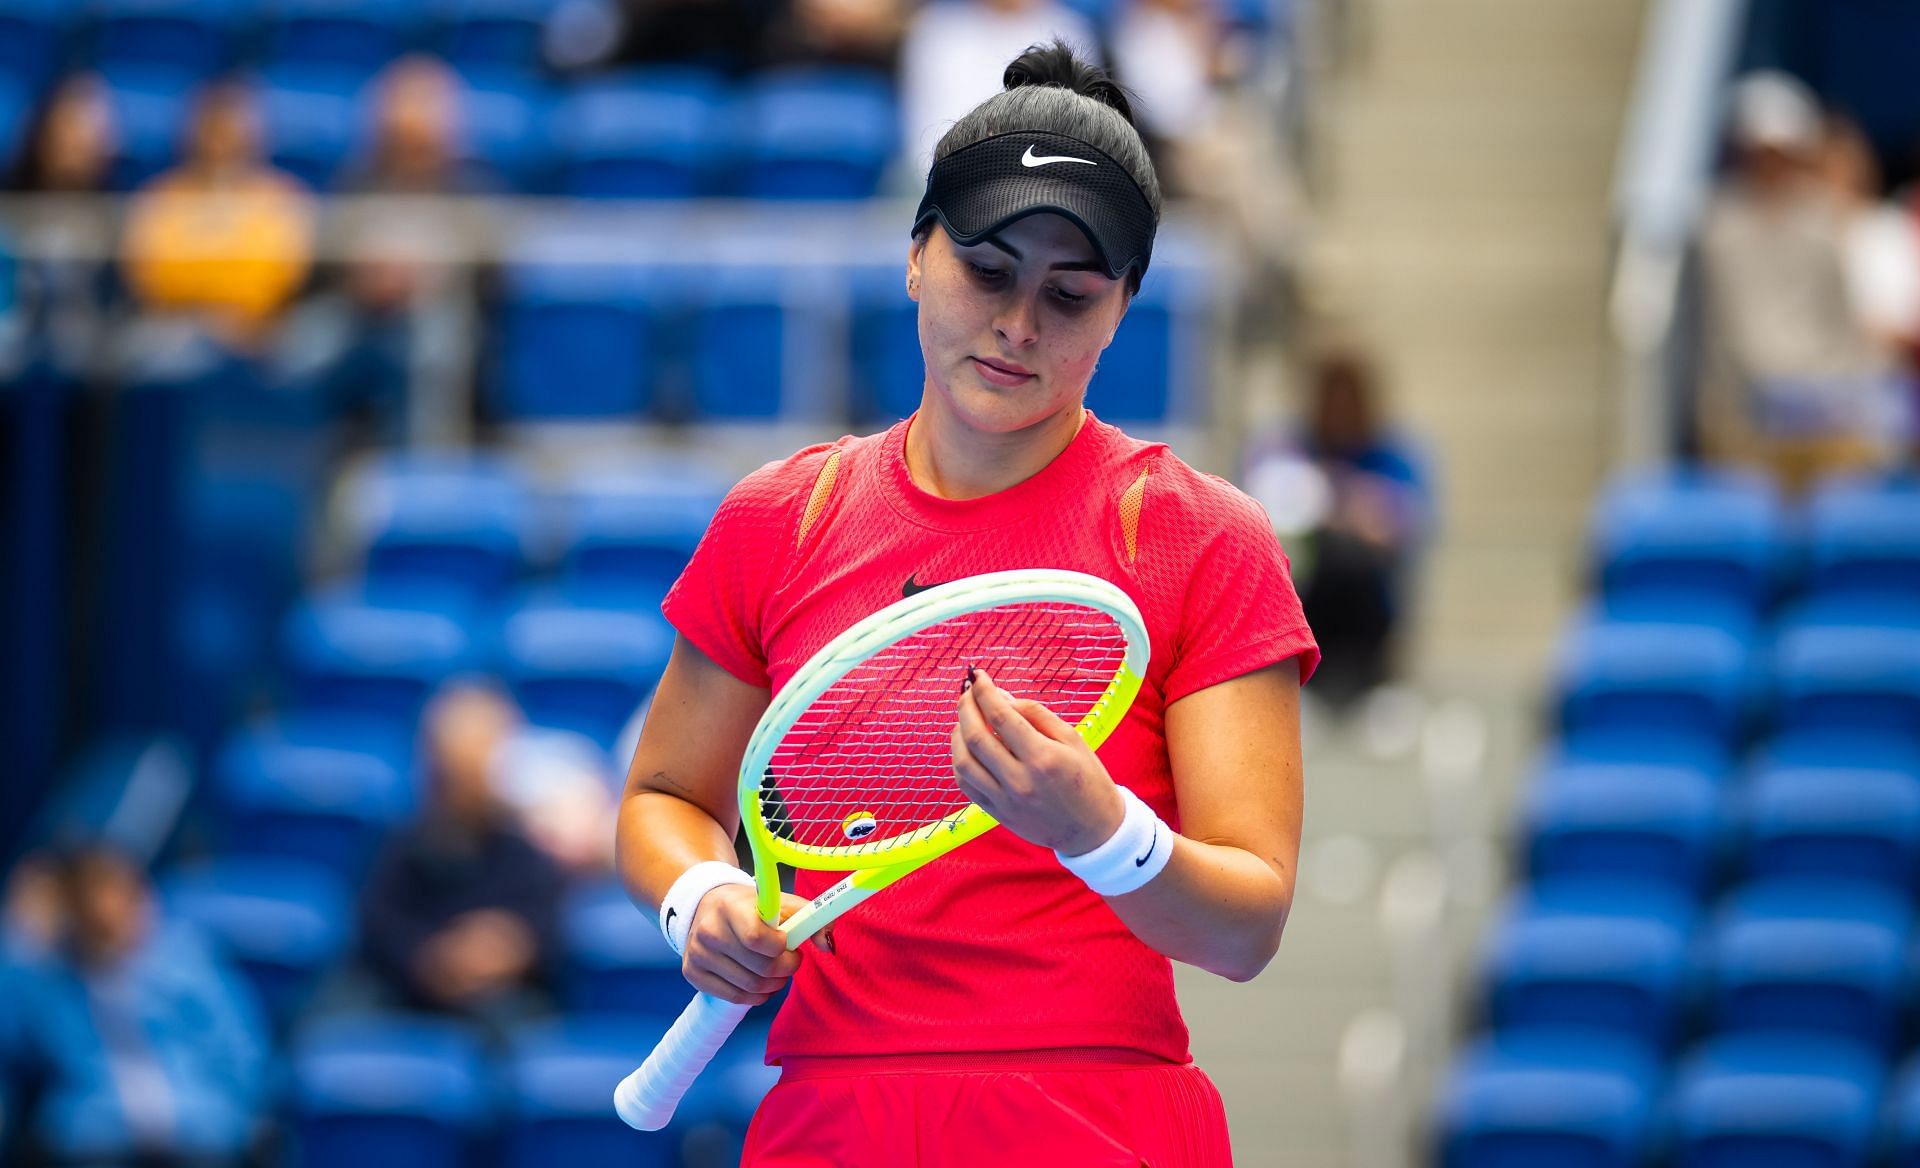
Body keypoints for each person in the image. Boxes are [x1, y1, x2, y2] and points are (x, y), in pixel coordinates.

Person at [617, 40, 1317, 1164]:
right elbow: (662, 794)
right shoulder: (779, 518)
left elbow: (1245, 930)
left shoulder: (1198, 536)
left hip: (1098, 1122)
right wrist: (699, 896)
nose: (1019, 324)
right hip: (828, 1120)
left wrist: (1100, 832)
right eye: (987, 269)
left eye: (1070, 294)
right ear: (914, 256)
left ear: (1125, 309)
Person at [1695, 71, 1903, 491]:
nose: (1773, 164)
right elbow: (1739, 348)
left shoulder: (1821, 224)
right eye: (1763, 151)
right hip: (1745, 419)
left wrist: (1847, 398)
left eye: (1783, 152)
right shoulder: (1716, 230)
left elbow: (1842, 326)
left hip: (1823, 408)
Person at [1, 841, 268, 1166]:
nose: (104, 910)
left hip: (198, 1126)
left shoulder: (187, 963)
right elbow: (11, 1043)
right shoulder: (46, 976)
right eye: (89, 897)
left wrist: (237, 1113)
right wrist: (19, 933)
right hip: (94, 1132)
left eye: (115, 893)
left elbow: (241, 1052)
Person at [356, 683, 568, 1032]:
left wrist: (511, 949)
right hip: (402, 996)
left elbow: (547, 937)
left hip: (503, 1006)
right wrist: (436, 959)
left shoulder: (526, 857)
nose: (468, 773)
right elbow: (377, 929)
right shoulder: (400, 849)